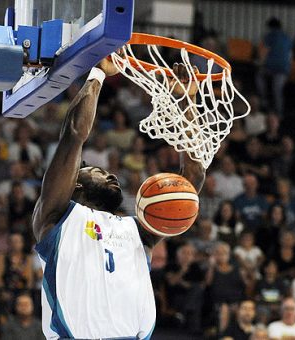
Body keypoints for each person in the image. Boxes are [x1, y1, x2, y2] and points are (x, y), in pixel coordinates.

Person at [31, 59, 205, 339]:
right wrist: (98, 73)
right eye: (97, 171)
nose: (110, 175)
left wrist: (186, 101)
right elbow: (74, 135)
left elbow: (191, 183)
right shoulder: (56, 218)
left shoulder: (136, 231)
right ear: (74, 185)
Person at [255, 17, 292, 116]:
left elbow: (264, 52)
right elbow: (290, 55)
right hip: (284, 69)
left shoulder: (270, 36)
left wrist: (260, 63)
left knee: (259, 76)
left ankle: (264, 100)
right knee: (277, 91)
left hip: (271, 68)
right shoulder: (287, 37)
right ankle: (280, 114)